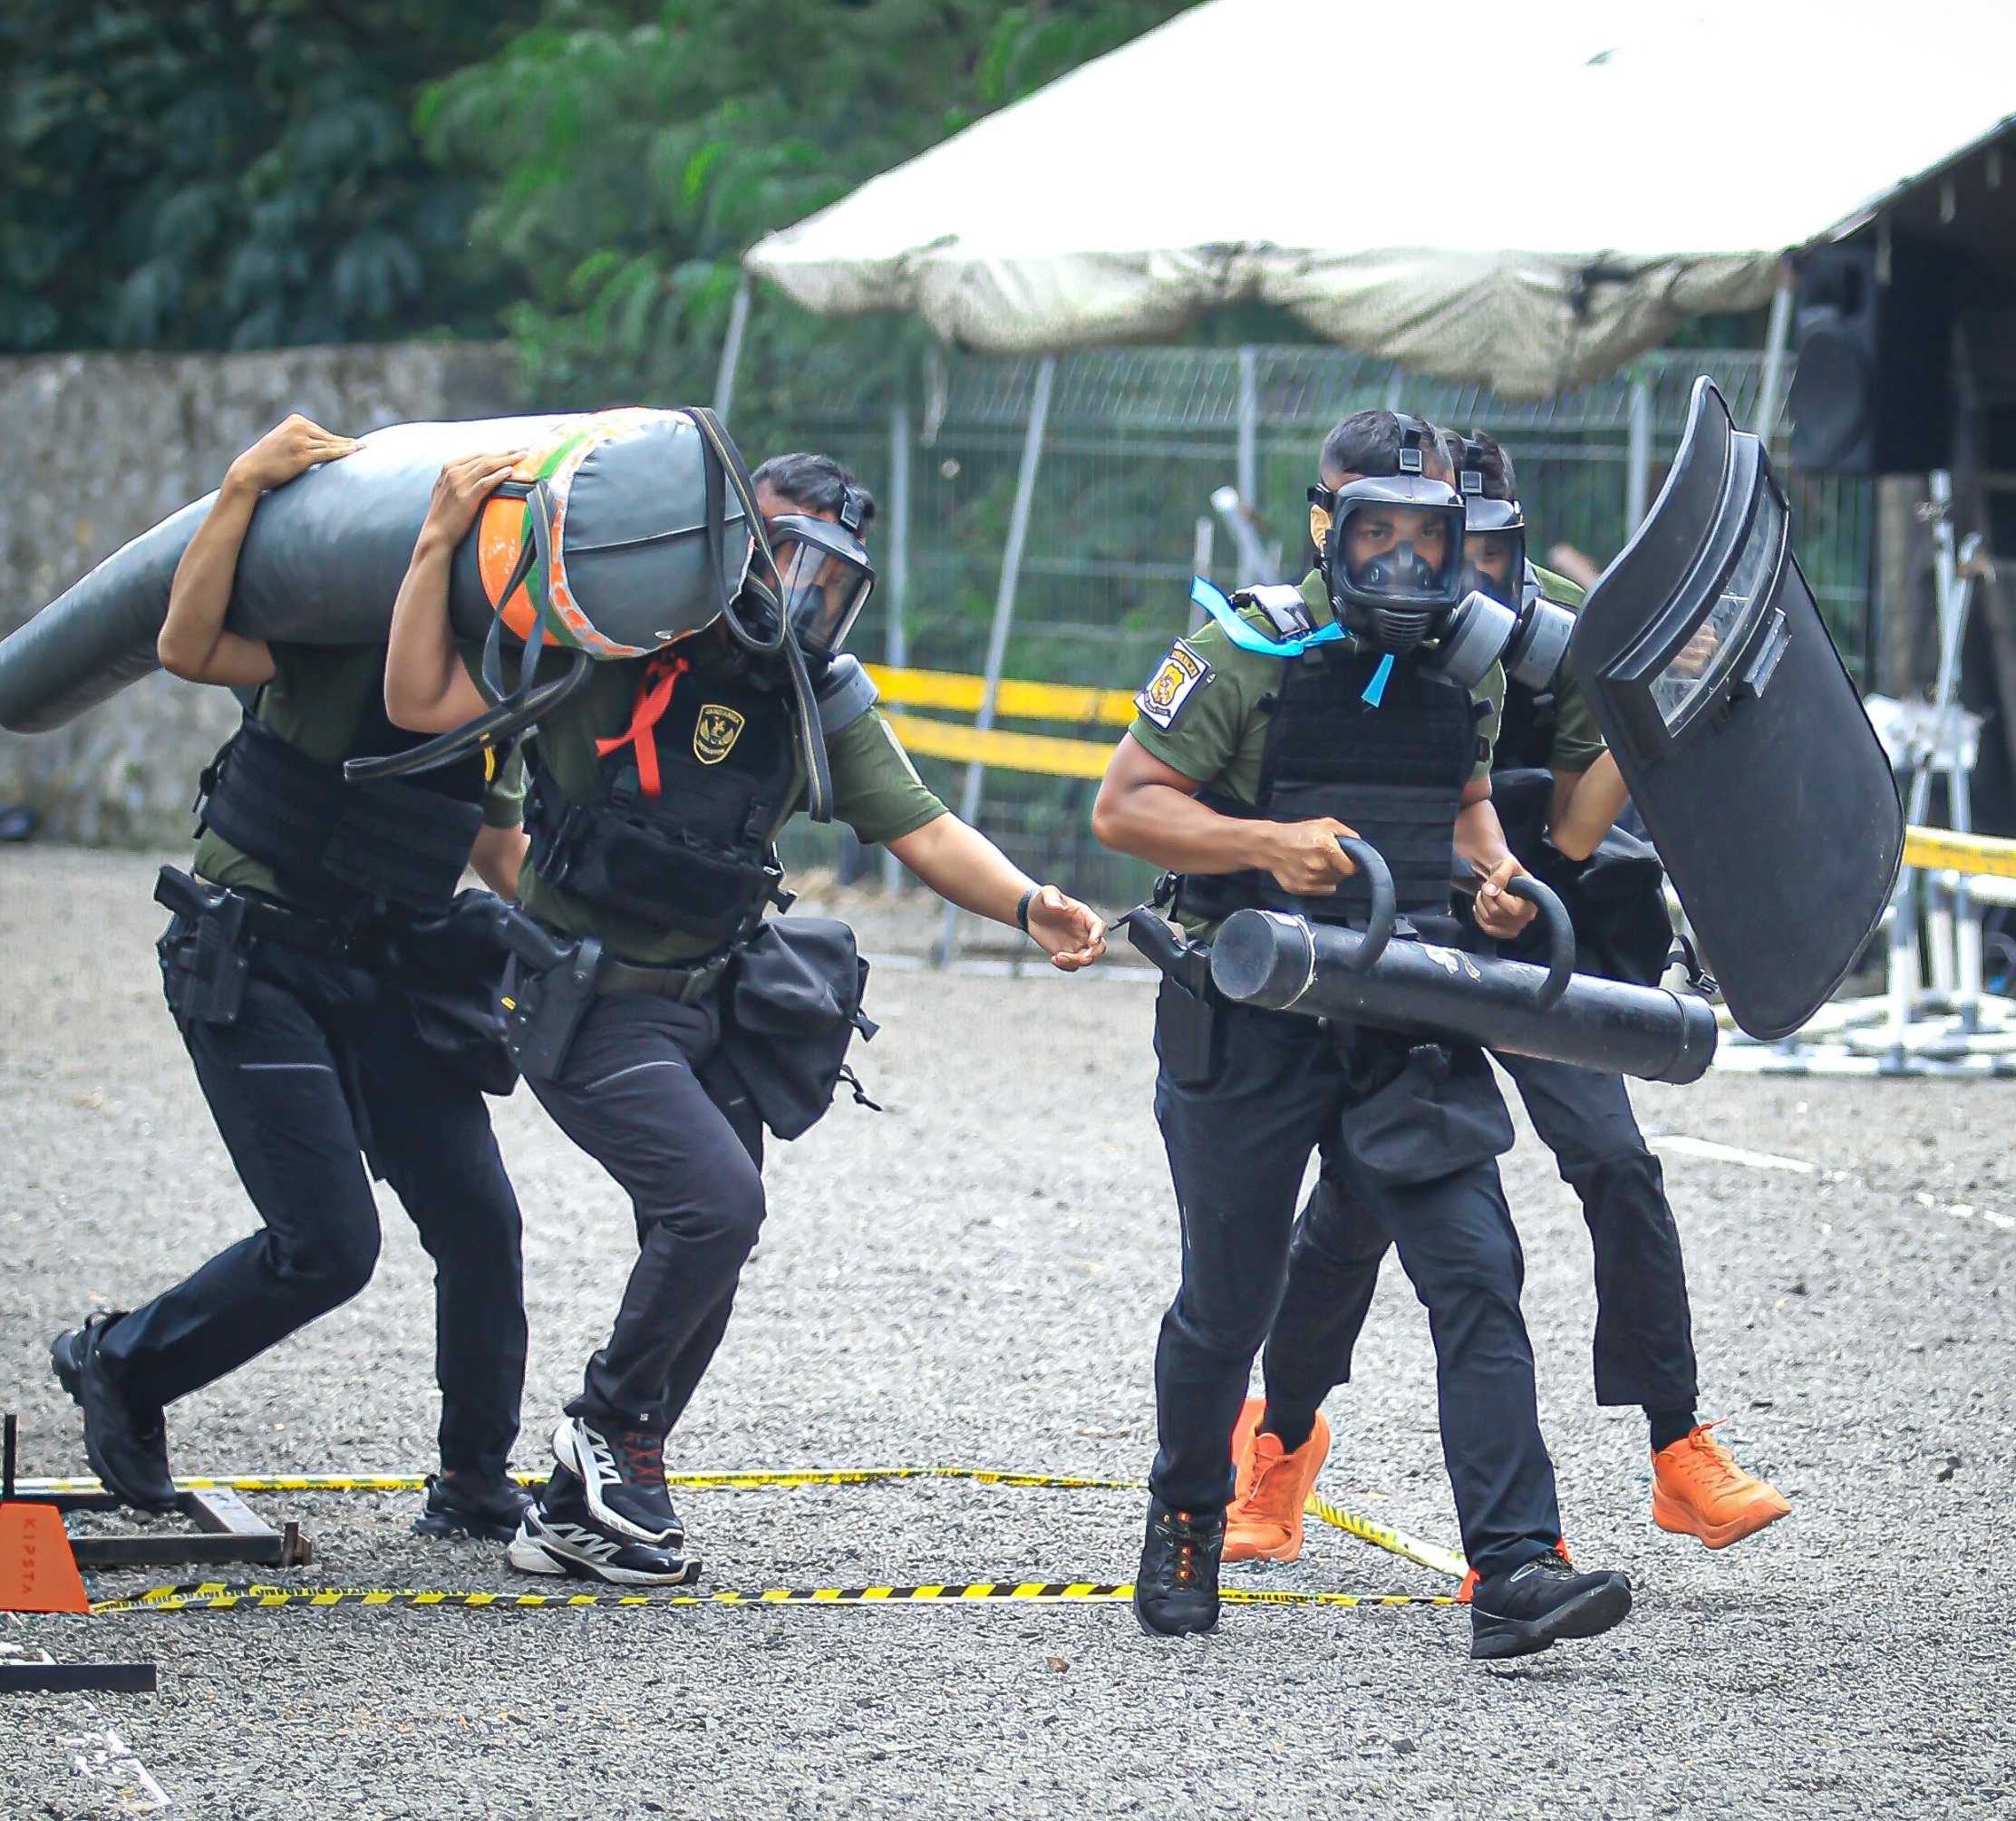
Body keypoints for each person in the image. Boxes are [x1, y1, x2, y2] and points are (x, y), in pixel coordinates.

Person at [383, 442, 1108, 1585]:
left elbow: (920, 829)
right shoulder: (604, 640)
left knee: (711, 1249)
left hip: (708, 1001)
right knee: (716, 1203)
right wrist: (437, 540)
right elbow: (418, 703)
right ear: (709, 540)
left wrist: (1030, 903)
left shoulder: (809, 698)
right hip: (585, 1003)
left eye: (825, 574)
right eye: (778, 553)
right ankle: (605, 1423)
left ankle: (581, 1502)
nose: (797, 591)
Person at [1090, 408, 1633, 1660]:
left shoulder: (1477, 658)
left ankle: (1513, 1569)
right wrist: (1264, 845)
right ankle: (1186, 1510)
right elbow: (1125, 808)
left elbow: (1464, 800)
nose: (1402, 559)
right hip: (1254, 1013)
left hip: (1403, 1004)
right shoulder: (1243, 653)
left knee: (1476, 1271)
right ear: (1327, 525)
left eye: (1426, 532)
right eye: (1374, 530)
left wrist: (1493, 876)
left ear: (1460, 533)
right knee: (1228, 1306)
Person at [1224, 431, 1789, 1576]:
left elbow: (1577, 831)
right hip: (1398, 931)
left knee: (1617, 1162)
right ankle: (1278, 1439)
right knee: (1357, 1206)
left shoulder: (1568, 621)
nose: (1445, 565)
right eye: (1432, 536)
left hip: (1533, 929)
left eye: (1475, 542)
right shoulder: (1336, 621)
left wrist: (1657, 697)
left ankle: (1677, 1442)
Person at [51, 414, 536, 1545]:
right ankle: (118, 1362)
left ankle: (474, 1479)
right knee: (327, 1244)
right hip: (252, 954)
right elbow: (183, 641)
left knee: (480, 1218)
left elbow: (503, 856)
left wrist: (614, 942)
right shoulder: (334, 629)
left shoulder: (500, 692)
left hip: (386, 970)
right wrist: (240, 486)